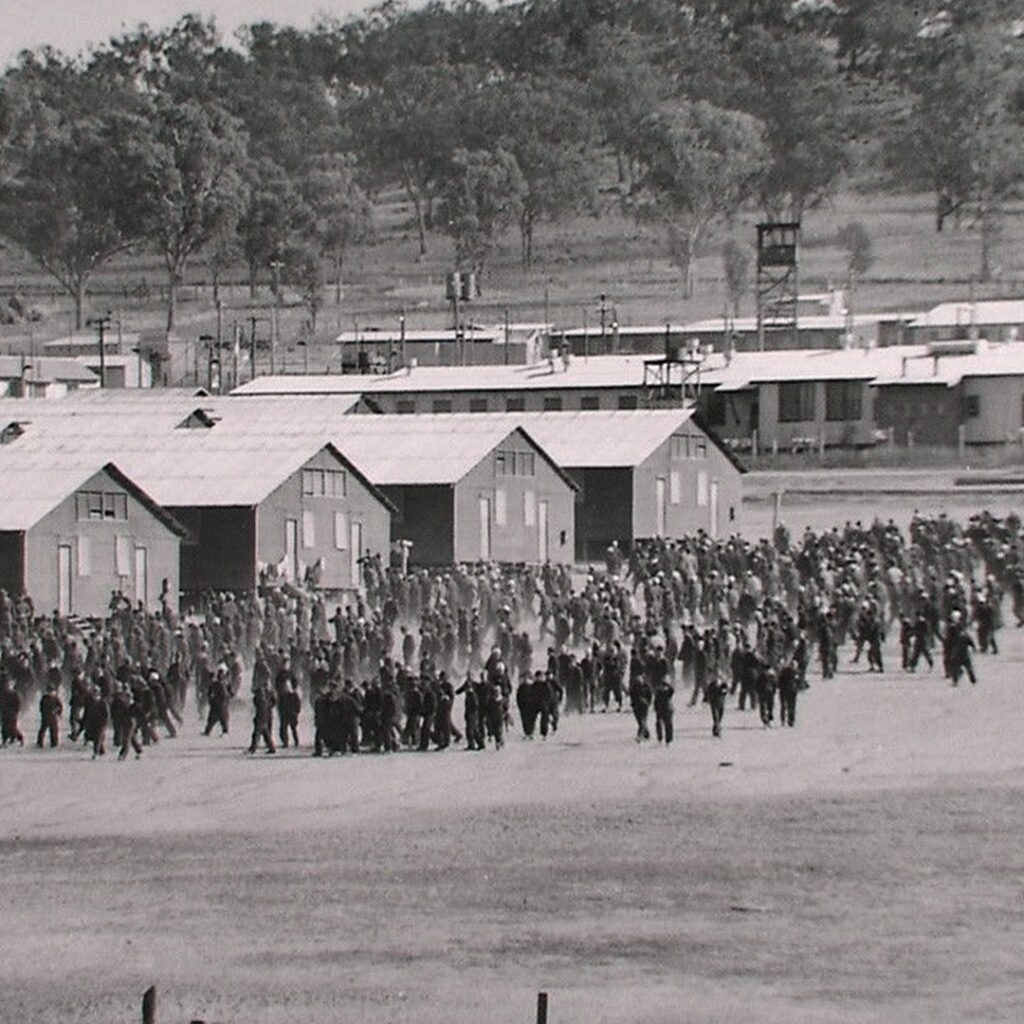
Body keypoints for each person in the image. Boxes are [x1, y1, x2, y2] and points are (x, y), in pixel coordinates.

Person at [248, 679, 276, 754]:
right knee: (265, 732)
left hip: (261, 716)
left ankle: (253, 748)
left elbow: (256, 702)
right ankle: (272, 748)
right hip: (266, 715)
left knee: (257, 733)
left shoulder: (261, 696)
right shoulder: (268, 695)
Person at [36, 684, 63, 748]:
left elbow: (60, 706)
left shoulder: (55, 698)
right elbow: (41, 707)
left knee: (53, 730)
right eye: (49, 691)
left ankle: (54, 743)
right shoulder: (45, 698)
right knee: (43, 730)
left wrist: (58, 712)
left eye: (51, 691)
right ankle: (40, 742)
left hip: (52, 716)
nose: (50, 692)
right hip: (46, 716)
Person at [0, 675, 24, 746]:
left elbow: (18, 704)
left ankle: (19, 738)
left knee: (12, 727)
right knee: (4, 727)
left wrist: (16, 711)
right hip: (4, 712)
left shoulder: (14, 694)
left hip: (12, 713)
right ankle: (5, 740)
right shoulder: (2, 694)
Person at [653, 676, 674, 745]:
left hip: (666, 709)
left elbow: (672, 690)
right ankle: (662, 738)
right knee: (663, 724)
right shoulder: (660, 692)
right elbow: (655, 701)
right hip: (664, 710)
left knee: (667, 725)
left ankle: (667, 739)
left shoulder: (665, 692)